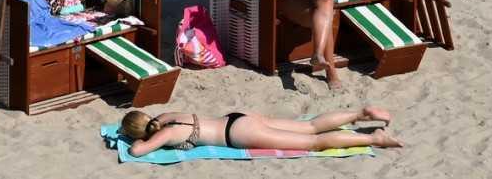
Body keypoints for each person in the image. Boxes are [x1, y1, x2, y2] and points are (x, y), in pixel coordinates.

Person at [120, 106, 400, 157]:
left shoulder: (163, 135)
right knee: (309, 125)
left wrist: (137, 139)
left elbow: (137, 150)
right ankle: (361, 113)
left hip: (238, 135)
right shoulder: (167, 117)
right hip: (238, 116)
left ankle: (373, 138)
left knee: (313, 142)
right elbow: (157, 122)